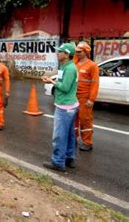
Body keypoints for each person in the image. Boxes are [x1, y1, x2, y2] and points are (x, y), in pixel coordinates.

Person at [42, 43, 78, 171]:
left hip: (65, 107)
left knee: (59, 136)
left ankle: (58, 162)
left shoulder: (70, 68)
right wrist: (51, 81)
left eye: (60, 52)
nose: (58, 53)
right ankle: (69, 157)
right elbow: (62, 82)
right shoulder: (64, 66)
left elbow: (65, 87)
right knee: (69, 134)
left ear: (67, 55)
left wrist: (52, 82)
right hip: (68, 105)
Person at [74, 42, 99, 151]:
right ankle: (73, 139)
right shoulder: (74, 63)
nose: (77, 53)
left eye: (80, 52)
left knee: (85, 120)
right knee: (73, 119)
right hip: (73, 97)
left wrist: (91, 99)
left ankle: (87, 142)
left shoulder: (92, 65)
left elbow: (95, 83)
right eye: (76, 51)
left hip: (85, 98)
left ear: (86, 52)